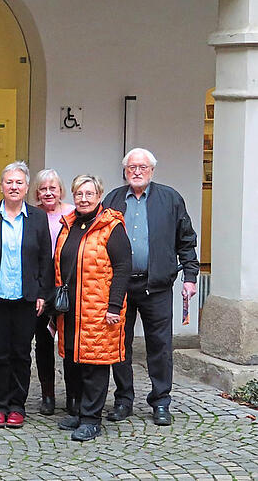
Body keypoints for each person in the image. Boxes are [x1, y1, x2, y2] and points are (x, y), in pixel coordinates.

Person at [104, 148, 199, 426]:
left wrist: (190, 277)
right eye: (132, 167)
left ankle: (160, 401)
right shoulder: (112, 200)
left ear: (152, 171)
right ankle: (123, 399)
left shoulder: (170, 198)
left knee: (160, 346)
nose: (137, 171)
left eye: (142, 167)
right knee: (120, 346)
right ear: (125, 171)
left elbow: (186, 240)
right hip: (120, 287)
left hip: (156, 285)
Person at [0, 161, 53, 429]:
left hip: (26, 298)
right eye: (9, 182)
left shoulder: (38, 218)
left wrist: (42, 293)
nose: (14, 187)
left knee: (21, 353)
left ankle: (17, 405)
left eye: (19, 182)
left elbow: (45, 260)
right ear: (1, 186)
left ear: (27, 187)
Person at [54, 175, 131, 441]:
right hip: (71, 308)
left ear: (99, 196)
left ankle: (91, 418)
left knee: (95, 364)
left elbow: (122, 269)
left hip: (99, 309)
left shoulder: (111, 227)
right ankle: (76, 410)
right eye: (79, 194)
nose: (84, 199)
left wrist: (114, 305)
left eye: (89, 194)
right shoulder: (69, 225)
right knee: (72, 360)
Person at [32, 168, 75, 415]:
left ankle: (72, 395)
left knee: (70, 342)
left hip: (68, 285)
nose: (48, 193)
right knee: (44, 342)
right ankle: (47, 394)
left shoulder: (72, 213)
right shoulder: (33, 215)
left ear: (61, 190)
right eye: (43, 189)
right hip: (42, 286)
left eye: (53, 188)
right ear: (37, 192)